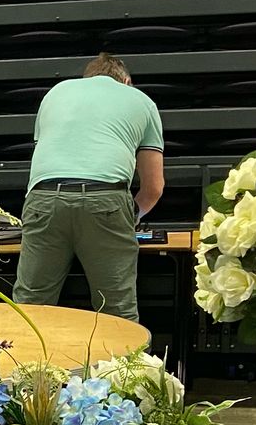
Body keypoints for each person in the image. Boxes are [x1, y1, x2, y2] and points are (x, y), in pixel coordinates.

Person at [11, 53, 164, 321]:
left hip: (43, 198)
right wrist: (132, 216)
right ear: (126, 81)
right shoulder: (140, 100)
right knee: (117, 311)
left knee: (31, 307)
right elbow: (154, 187)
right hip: (106, 198)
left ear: (87, 78)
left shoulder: (55, 94)